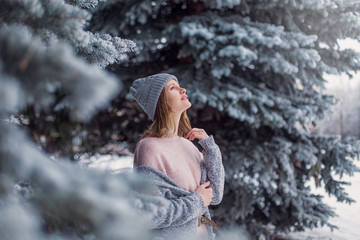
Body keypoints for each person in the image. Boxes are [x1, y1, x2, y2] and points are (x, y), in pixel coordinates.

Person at [130, 73, 225, 240]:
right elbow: (149, 215)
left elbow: (214, 195)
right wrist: (197, 201)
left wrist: (211, 150)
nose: (183, 89)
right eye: (172, 88)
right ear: (160, 102)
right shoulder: (149, 147)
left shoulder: (189, 146)